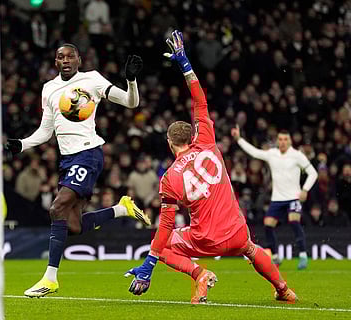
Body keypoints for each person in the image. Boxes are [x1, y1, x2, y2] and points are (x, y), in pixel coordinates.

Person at [124, 30, 297, 303]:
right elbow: (200, 102)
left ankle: (199, 274)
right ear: (190, 136)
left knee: (165, 244)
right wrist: (185, 65)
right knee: (252, 249)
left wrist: (150, 263)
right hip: (237, 231)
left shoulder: (169, 178)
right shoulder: (205, 140)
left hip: (204, 240)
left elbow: (166, 226)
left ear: (170, 143)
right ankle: (284, 290)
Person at [5, 43, 150, 297]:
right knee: (73, 226)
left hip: (88, 154)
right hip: (67, 159)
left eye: (70, 56)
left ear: (79, 60)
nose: (66, 60)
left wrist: (131, 80)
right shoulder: (49, 89)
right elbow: (46, 130)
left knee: (56, 208)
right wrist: (22, 145)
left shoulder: (92, 80)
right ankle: (120, 209)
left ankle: (50, 278)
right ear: (56, 62)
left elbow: (130, 102)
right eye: (61, 56)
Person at [231, 127, 318, 270]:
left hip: (293, 197)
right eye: (280, 139)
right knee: (268, 224)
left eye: (285, 139)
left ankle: (303, 255)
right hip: (277, 198)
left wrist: (305, 189)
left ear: (290, 141)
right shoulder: (272, 154)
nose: (283, 142)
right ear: (277, 141)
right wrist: (239, 139)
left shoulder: (297, 155)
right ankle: (276, 256)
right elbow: (255, 152)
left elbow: (313, 173)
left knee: (293, 220)